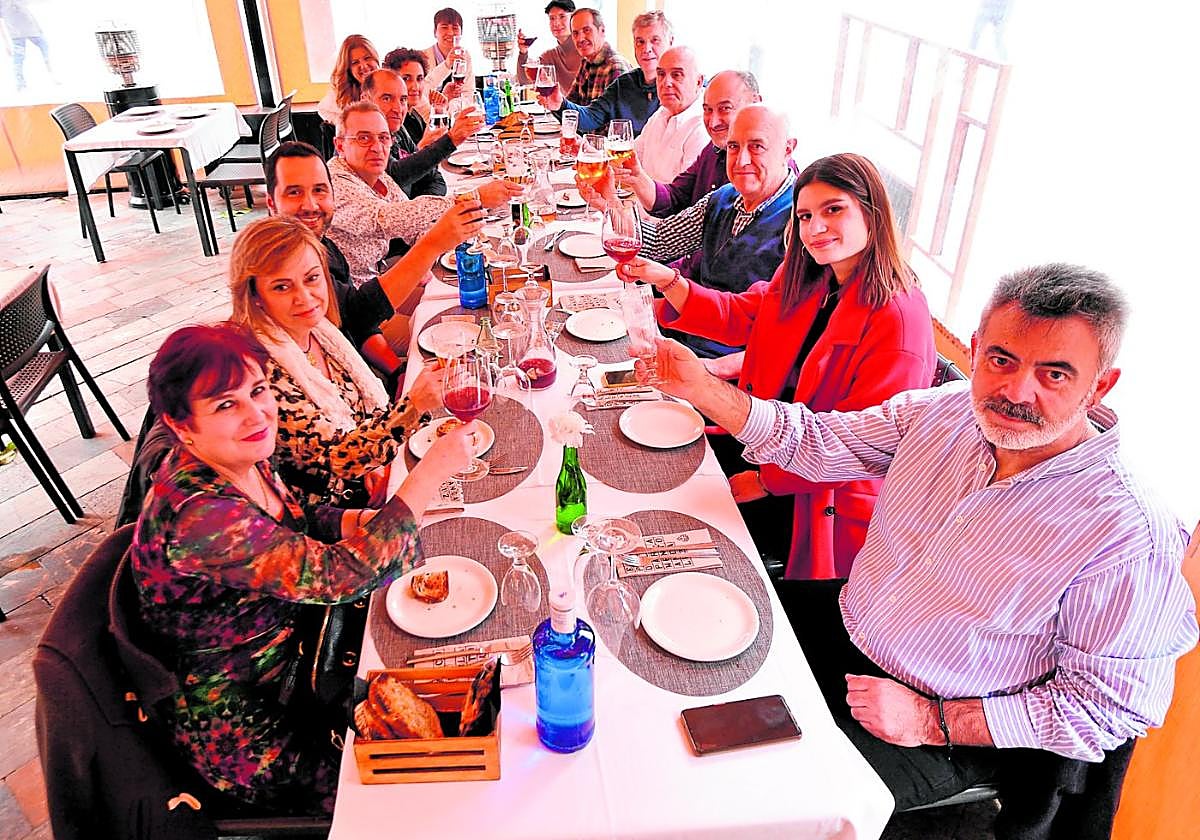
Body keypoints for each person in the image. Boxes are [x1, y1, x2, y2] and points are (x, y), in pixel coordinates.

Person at [646, 264, 1199, 833]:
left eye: (1054, 374)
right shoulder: (942, 412)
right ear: (978, 348)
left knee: (749, 798)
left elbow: (1109, 708)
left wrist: (934, 721)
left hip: (943, 720)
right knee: (672, 666)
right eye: (1002, 360)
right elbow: (819, 442)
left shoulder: (1129, 533)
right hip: (844, 628)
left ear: (1100, 385)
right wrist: (702, 388)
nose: (1016, 391)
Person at [130, 322, 475, 813]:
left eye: (258, 390)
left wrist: (359, 518)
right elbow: (339, 578)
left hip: (305, 648)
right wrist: (427, 477)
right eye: (226, 404)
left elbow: (294, 520)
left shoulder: (236, 455)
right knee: (419, 794)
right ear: (181, 424)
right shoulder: (200, 515)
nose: (256, 414)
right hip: (256, 717)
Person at [622, 153, 935, 577]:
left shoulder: (898, 319)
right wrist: (668, 281)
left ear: (873, 212)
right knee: (643, 473)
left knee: (671, 530)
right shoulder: (811, 273)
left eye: (834, 210)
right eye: (805, 216)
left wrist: (766, 481)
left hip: (817, 496)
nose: (816, 228)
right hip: (760, 441)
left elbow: (857, 450)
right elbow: (742, 315)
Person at [228, 215, 442, 509]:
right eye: (281, 287)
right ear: (255, 296)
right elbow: (339, 457)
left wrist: (376, 462)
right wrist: (413, 407)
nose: (304, 297)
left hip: (374, 466)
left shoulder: (320, 331)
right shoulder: (262, 373)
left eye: (311, 278)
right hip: (334, 514)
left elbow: (361, 419)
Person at [265, 140, 482, 382]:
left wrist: (397, 372)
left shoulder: (322, 245)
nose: (310, 205)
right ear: (271, 203)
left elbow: (356, 323)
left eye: (319, 190)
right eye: (294, 192)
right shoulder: (275, 267)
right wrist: (432, 244)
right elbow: (362, 312)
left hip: (366, 374)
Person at [615, 105, 797, 357]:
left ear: (788, 149)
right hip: (682, 334)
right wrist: (609, 204)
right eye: (733, 147)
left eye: (756, 146)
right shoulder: (723, 197)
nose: (742, 160)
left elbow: (785, 339)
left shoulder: (801, 219)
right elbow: (658, 242)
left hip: (726, 363)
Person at [326, 101, 519, 286]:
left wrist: (422, 257)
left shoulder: (376, 175)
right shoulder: (335, 182)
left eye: (383, 138)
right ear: (340, 145)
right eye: (364, 138)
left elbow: (414, 227)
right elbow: (385, 219)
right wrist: (473, 198)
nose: (377, 147)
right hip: (355, 303)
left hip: (378, 283)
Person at [627, 69, 761, 218]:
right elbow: (675, 198)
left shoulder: (766, 166)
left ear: (755, 103)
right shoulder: (712, 150)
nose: (713, 122)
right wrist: (637, 177)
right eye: (708, 110)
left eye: (725, 109)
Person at [362, 67, 484, 199]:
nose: (397, 108)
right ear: (365, 99)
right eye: (386, 98)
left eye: (402, 100)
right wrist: (451, 139)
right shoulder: (359, 137)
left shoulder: (397, 130)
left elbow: (435, 179)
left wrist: (424, 209)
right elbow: (393, 177)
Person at [540, 9, 666, 134]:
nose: (646, 49)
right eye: (640, 42)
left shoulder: (675, 87)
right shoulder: (624, 83)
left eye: (655, 40)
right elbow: (591, 116)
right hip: (616, 152)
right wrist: (560, 104)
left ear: (670, 41)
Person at [628, 45, 707, 183]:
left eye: (676, 75)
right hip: (643, 200)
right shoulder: (661, 113)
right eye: (661, 74)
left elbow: (685, 196)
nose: (666, 83)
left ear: (698, 82)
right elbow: (631, 158)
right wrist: (592, 151)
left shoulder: (703, 127)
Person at [560, 7, 631, 107]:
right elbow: (570, 107)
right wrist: (554, 100)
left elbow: (615, 119)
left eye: (587, 30)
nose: (580, 39)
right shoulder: (586, 62)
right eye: (575, 33)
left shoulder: (615, 67)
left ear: (602, 31)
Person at [516, 0, 580, 97]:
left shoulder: (586, 50)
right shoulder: (549, 56)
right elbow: (525, 81)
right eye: (552, 18)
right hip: (563, 110)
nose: (556, 23)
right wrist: (523, 52)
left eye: (562, 17)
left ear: (574, 18)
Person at [317, 34, 379, 125]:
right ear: (348, 69)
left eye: (367, 58)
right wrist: (346, 125)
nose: (364, 66)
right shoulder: (343, 93)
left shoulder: (390, 83)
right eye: (355, 62)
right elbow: (323, 110)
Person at [422, 7, 472, 100]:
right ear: (435, 32)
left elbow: (468, 93)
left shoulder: (465, 56)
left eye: (455, 28)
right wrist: (446, 65)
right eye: (444, 27)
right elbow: (422, 94)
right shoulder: (423, 57)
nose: (450, 32)